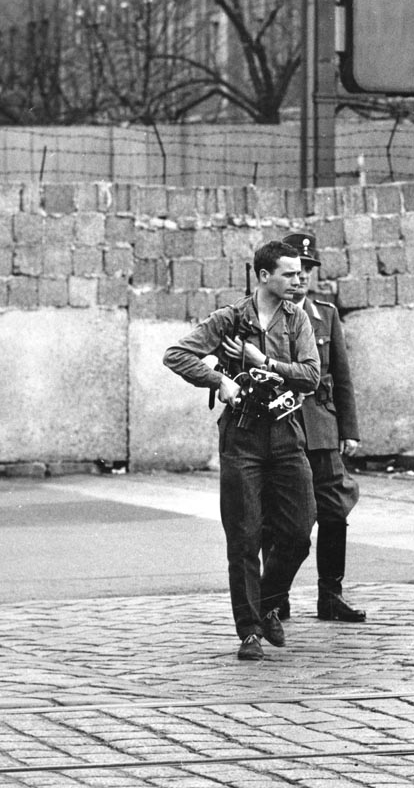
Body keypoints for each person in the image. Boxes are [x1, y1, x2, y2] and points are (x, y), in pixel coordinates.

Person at [163, 240, 320, 661]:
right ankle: (250, 630)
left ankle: (268, 601)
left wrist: (264, 363)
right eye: (289, 273)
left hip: (287, 434)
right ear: (264, 276)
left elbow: (310, 376)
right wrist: (219, 381)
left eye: (299, 272)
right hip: (243, 436)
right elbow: (176, 355)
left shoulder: (296, 319)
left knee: (299, 530)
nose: (298, 279)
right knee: (245, 535)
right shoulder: (230, 319)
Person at [278, 231, 366, 623]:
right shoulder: (263, 314)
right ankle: (275, 596)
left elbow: (342, 377)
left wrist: (349, 429)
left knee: (334, 511)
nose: (303, 278)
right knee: (279, 516)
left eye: (309, 270)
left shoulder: (325, 314)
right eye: (297, 269)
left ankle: (331, 595)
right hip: (284, 426)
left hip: (324, 428)